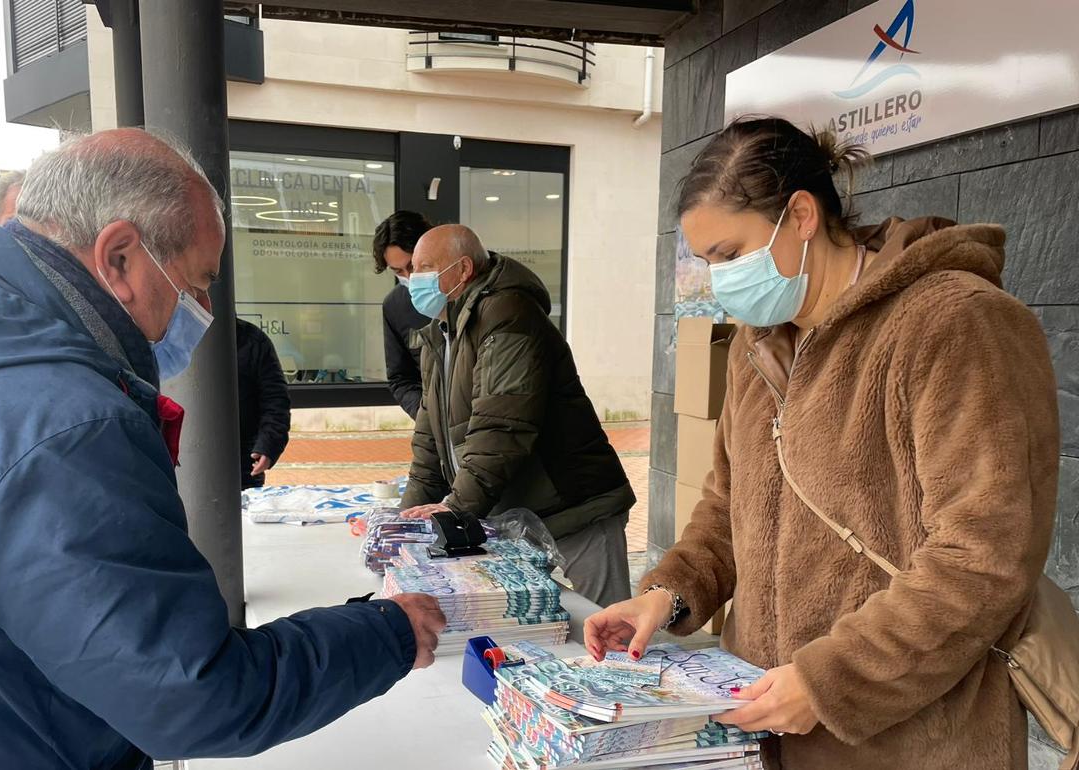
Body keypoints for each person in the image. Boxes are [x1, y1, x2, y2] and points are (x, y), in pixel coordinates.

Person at [0, 128, 446, 769]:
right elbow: (193, 695)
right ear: (120, 258)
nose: (203, 310)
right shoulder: (65, 422)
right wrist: (386, 632)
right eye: (199, 281)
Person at [583, 117, 1058, 770]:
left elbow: (983, 557)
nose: (718, 280)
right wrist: (666, 594)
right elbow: (727, 505)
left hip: (915, 744)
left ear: (801, 215)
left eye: (728, 254)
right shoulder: (762, 348)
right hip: (763, 729)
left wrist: (832, 680)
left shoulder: (955, 324)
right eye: (707, 261)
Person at [398, 224, 636, 607]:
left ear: (462, 270)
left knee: (609, 633)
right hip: (519, 515)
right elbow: (429, 439)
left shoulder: (507, 313)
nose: (413, 280)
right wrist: (402, 523)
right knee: (542, 628)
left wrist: (456, 509)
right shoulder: (440, 335)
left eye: (424, 268)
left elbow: (501, 426)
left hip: (576, 508)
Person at [372, 210, 433, 418]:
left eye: (413, 266)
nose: (410, 277)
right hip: (436, 428)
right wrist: (427, 417)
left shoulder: (467, 292)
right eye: (398, 271)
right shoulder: (395, 306)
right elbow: (401, 378)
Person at [236, 317, 291, 489]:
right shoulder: (172, 334)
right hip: (181, 460)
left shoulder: (252, 339)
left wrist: (268, 445)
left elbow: (275, 399)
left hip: (244, 462)